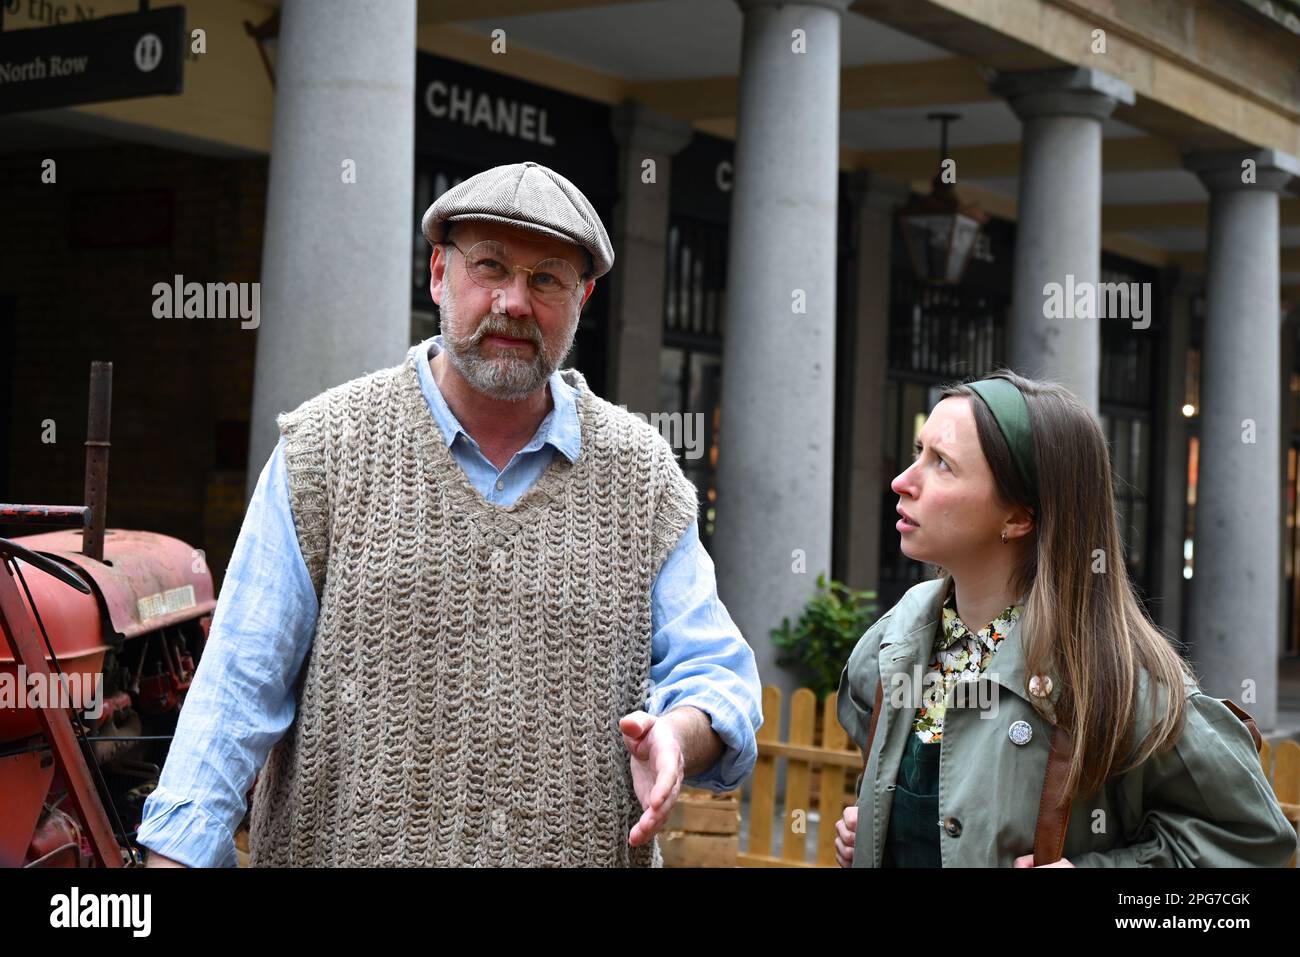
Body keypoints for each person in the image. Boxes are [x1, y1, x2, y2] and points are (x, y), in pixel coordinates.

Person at [137, 161, 762, 867]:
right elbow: (235, 692)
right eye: (490, 266)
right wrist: (175, 852)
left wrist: (676, 733)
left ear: (583, 297)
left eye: (547, 279)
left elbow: (719, 674)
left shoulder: (641, 475)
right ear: (438, 273)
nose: (515, 302)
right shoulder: (325, 452)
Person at [834, 370, 1296, 868]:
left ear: (1018, 518)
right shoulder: (893, 641)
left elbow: (1249, 842)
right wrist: (875, 832)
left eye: (942, 464)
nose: (902, 481)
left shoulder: (1119, 680)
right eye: (916, 452)